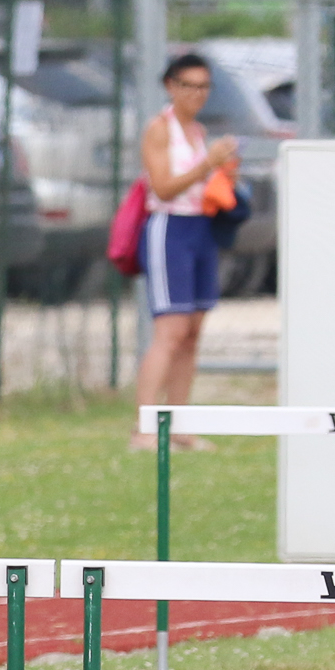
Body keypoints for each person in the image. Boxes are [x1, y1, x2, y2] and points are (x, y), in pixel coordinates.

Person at [131, 51, 240, 450]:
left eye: (204, 87)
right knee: (170, 331)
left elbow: (199, 182)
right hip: (171, 229)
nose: (197, 94)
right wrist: (207, 165)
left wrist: (223, 174)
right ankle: (144, 427)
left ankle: (180, 425)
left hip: (200, 227)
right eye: (189, 86)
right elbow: (162, 187)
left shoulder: (197, 130)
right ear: (170, 86)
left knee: (192, 332)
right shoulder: (160, 129)